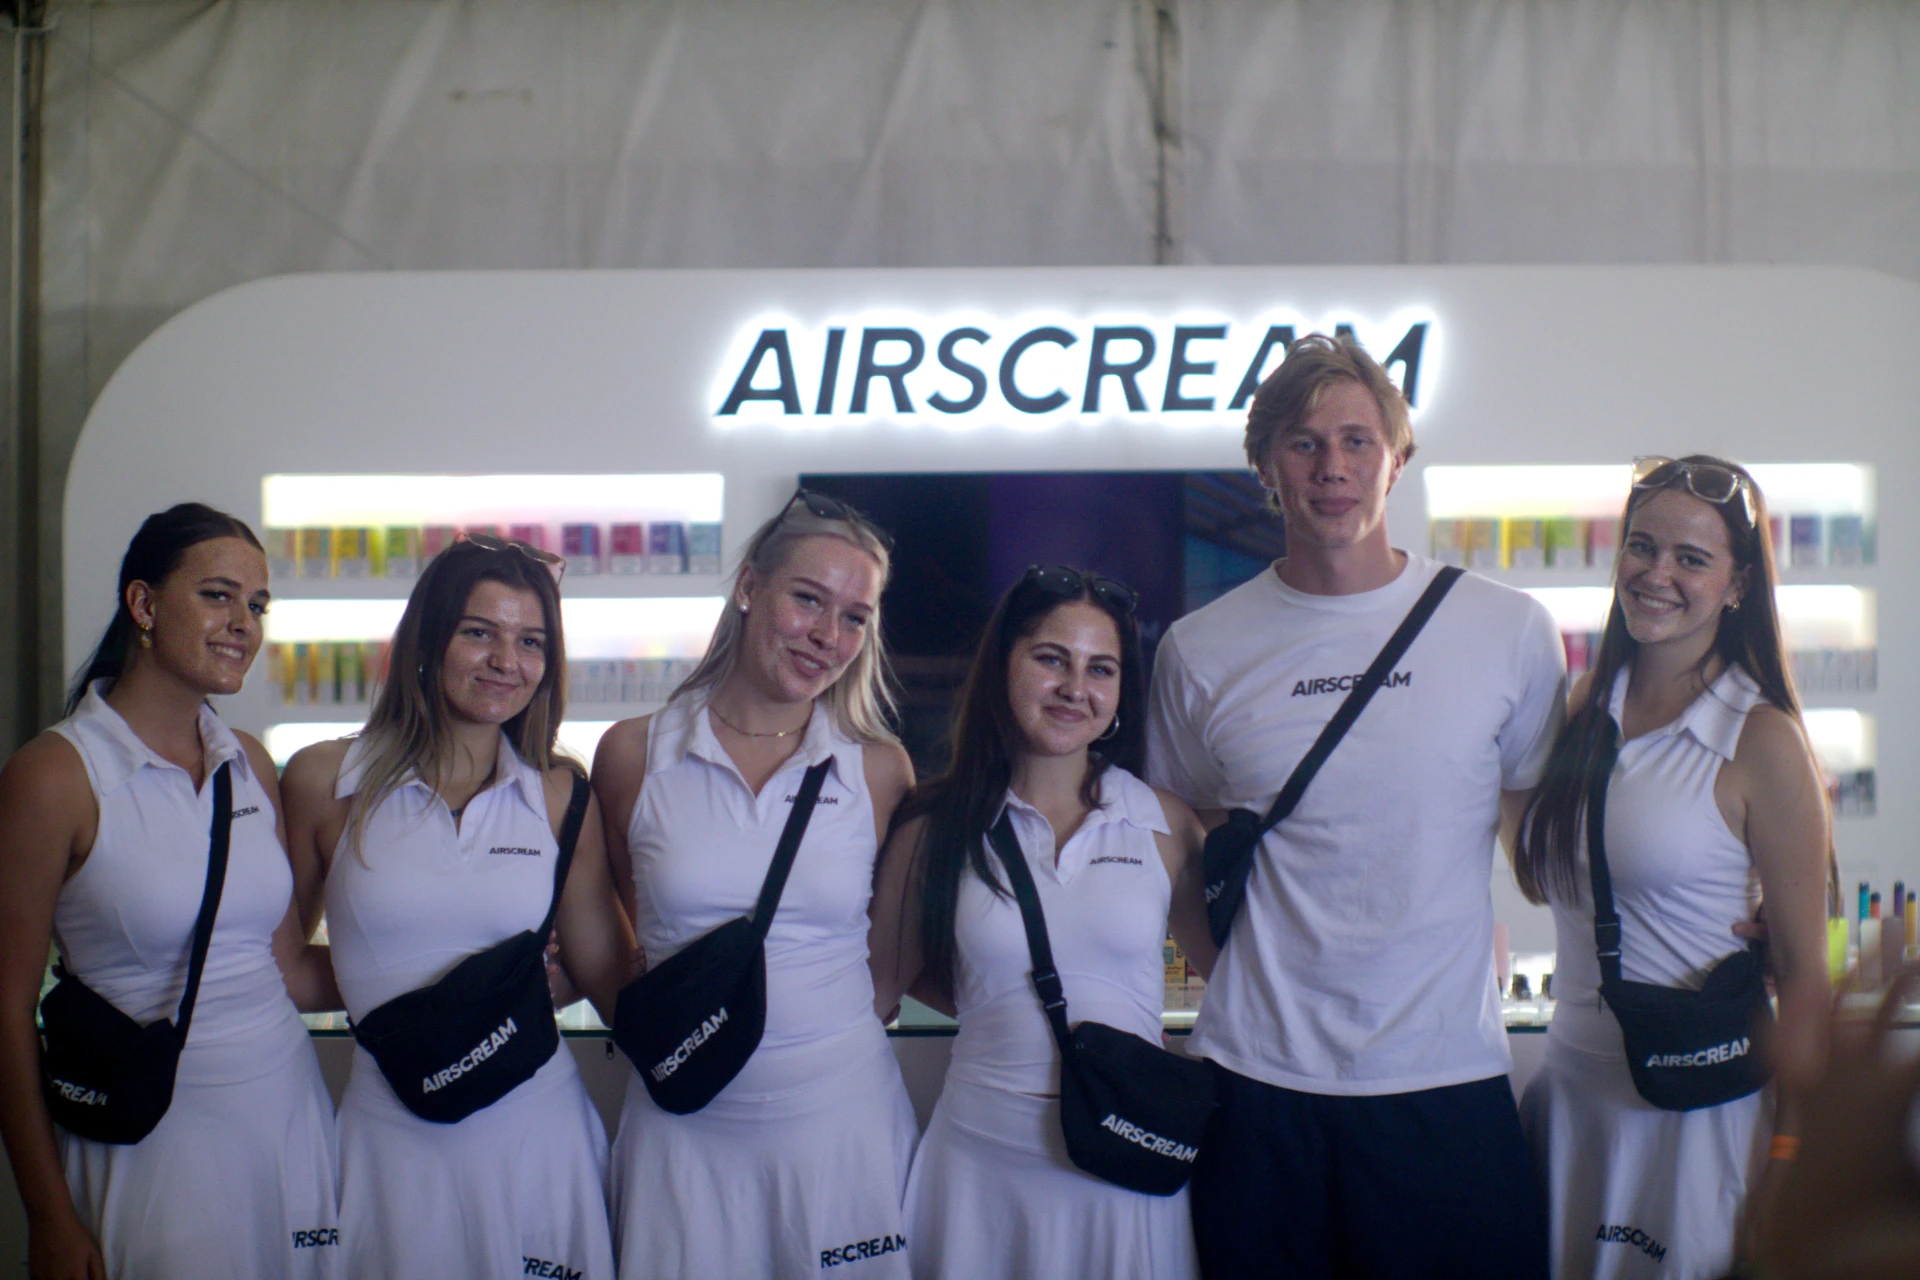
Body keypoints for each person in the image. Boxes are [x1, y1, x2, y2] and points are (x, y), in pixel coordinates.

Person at [1146, 333, 1567, 1279]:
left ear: (1397, 459)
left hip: (1445, 1076)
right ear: (1265, 467)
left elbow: (1540, 847)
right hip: (1258, 1083)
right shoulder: (1198, 649)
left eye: (1355, 441)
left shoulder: (1507, 630)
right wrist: (1231, 969)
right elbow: (1176, 832)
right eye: (1303, 444)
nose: (1331, 467)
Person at [0, 503, 341, 1280]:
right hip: (152, 1141)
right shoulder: (54, 776)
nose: (244, 624)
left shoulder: (247, 761)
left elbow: (286, 967)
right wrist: (48, 1214)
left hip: (289, 1119)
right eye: (218, 596)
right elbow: (6, 1010)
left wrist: (455, 969)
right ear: (144, 604)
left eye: (257, 605)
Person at [279, 535, 634, 1280]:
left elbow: (603, 967)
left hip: (537, 1134)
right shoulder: (325, 779)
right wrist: (432, 1000)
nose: (507, 661)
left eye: (531, 641)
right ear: (428, 637)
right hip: (390, 1138)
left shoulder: (560, 793)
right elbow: (280, 970)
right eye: (479, 632)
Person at [1513, 456, 1832, 1280]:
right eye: (1641, 546)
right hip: (1574, 1098)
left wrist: (1792, 1156)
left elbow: (1805, 979)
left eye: (1691, 558)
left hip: (1701, 1115)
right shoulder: (1586, 706)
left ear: (1737, 585)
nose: (1657, 575)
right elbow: (1541, 874)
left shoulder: (1761, 738)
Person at [591, 491, 917, 1280]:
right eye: (808, 599)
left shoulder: (877, 768)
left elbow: (887, 964)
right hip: (684, 1131)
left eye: (854, 617)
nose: (827, 635)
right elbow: (623, 924)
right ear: (748, 586)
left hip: (843, 1128)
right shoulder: (636, 753)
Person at [868, 564, 1215, 1280]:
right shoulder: (934, 829)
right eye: (1051, 659)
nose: (1074, 688)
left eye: (1100, 669)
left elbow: (1237, 977)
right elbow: (872, 994)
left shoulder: (1163, 824)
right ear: (1003, 667)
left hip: (1125, 1161)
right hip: (980, 1167)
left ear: (1119, 694)